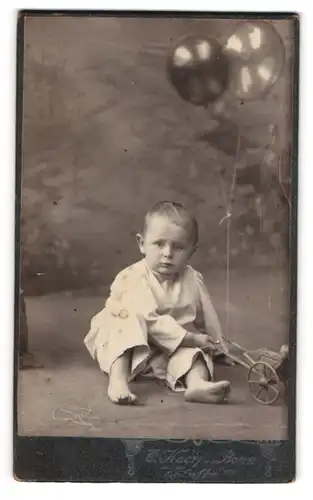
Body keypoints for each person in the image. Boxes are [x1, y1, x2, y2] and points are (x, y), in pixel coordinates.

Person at [84, 201, 230, 405]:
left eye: (178, 247)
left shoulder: (192, 279)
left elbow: (207, 315)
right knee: (123, 328)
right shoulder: (131, 277)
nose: (168, 254)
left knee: (194, 355)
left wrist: (219, 345)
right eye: (159, 244)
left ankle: (197, 384)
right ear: (142, 243)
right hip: (127, 341)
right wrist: (191, 338)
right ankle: (118, 381)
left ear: (192, 251)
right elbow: (148, 320)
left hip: (164, 347)